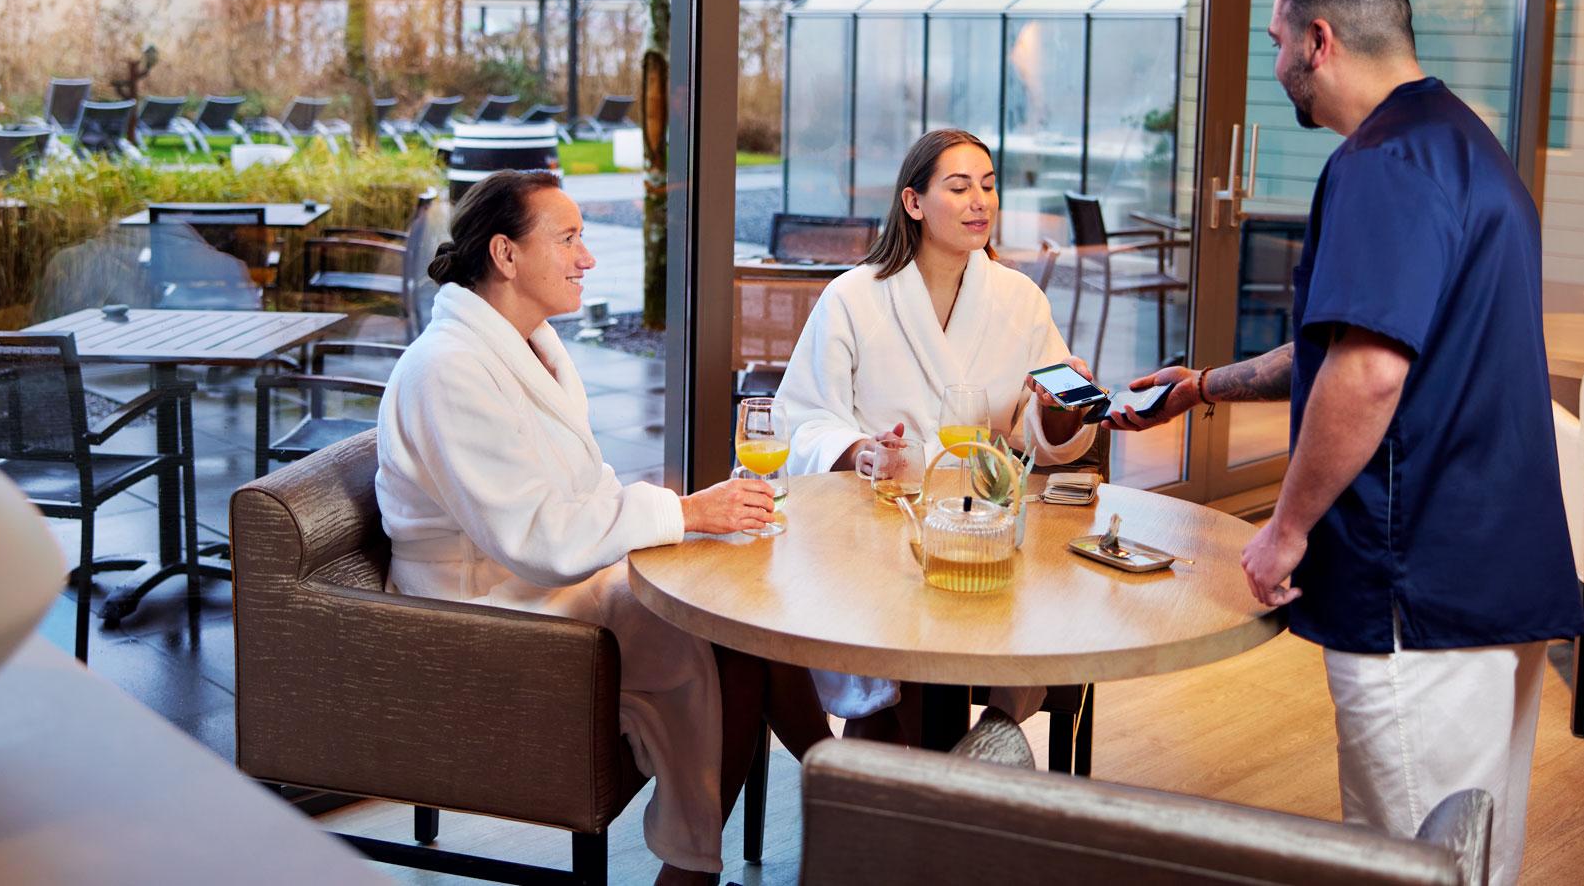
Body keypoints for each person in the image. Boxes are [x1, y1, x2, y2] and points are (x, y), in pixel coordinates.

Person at [1108, 0, 1582, 886]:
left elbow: (1367, 376)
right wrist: (1202, 386)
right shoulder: (1460, 141)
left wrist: (1283, 530)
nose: (1277, 62)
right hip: (1493, 572)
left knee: (1405, 862)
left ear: (1318, 40)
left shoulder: (1380, 165)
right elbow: (1344, 345)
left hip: (1419, 585)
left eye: (1279, 38)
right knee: (1473, 856)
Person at [374, 170, 828, 886]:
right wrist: (680, 513)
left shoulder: (530, 347)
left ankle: (837, 805)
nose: (588, 257)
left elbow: (575, 503)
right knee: (730, 637)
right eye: (570, 238)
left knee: (739, 606)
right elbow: (537, 537)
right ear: (506, 255)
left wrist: (690, 522)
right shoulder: (448, 371)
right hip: (487, 617)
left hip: (546, 584)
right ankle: (848, 804)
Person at [774, 128, 1102, 738]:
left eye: (988, 185)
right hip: (877, 525)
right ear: (914, 203)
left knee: (1026, 606)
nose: (980, 201)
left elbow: (1033, 432)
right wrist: (862, 451)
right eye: (959, 187)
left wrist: (1063, 410)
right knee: (898, 654)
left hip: (987, 529)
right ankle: (919, 784)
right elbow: (803, 417)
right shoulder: (852, 298)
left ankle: (972, 755)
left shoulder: (1020, 298)